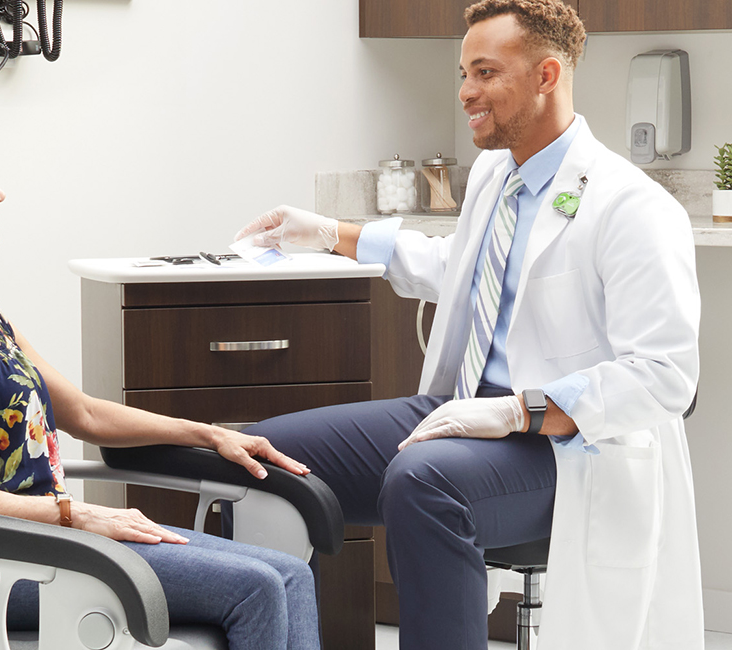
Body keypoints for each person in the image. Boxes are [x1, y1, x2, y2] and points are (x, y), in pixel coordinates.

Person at [234, 1, 703, 649]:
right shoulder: (495, 175)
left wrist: (518, 411)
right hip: (462, 413)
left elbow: (664, 377)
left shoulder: (631, 207)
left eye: (484, 73)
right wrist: (329, 233)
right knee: (260, 457)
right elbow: (461, 267)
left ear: (545, 75)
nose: (465, 92)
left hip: (570, 446)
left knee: (424, 481)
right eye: (463, 72)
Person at [0, 111, 320, 650]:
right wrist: (77, 514)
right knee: (256, 588)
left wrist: (209, 434)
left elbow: (85, 413)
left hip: (44, 541)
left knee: (289, 574)